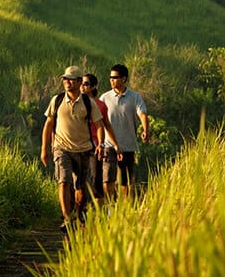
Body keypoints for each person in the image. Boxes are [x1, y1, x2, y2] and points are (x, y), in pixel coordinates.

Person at [41, 66, 123, 231]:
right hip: (61, 148)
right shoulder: (57, 100)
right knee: (63, 181)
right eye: (65, 79)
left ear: (79, 82)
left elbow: (100, 125)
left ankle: (78, 214)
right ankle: (66, 218)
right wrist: (44, 149)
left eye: (71, 79)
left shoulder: (89, 103)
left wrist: (100, 143)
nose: (67, 82)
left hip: (83, 149)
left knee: (80, 188)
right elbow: (48, 124)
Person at [100, 63, 150, 200]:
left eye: (115, 77)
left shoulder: (135, 97)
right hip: (108, 144)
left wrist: (145, 129)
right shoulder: (104, 98)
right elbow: (98, 121)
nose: (112, 80)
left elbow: (143, 114)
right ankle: (109, 208)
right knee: (107, 179)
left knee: (125, 181)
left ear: (124, 78)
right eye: (110, 77)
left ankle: (124, 209)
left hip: (128, 145)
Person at [80, 73, 111, 206]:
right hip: (78, 145)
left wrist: (105, 144)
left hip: (94, 146)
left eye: (85, 84)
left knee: (96, 181)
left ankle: (99, 214)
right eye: (80, 83)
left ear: (93, 87)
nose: (82, 86)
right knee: (79, 182)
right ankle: (78, 213)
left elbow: (105, 126)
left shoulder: (100, 105)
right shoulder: (75, 103)